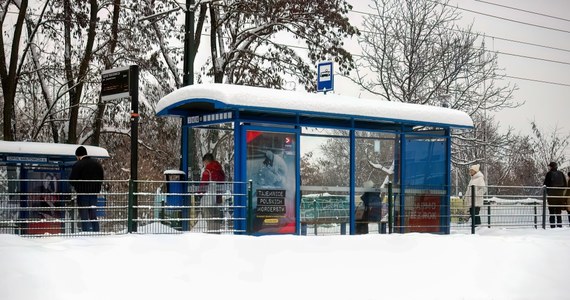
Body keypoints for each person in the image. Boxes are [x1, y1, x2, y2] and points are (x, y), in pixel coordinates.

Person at [69, 146, 104, 232]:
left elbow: (72, 180)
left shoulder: (78, 165)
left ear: (78, 156)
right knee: (93, 216)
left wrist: (77, 185)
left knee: (84, 216)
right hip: (93, 194)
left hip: (82, 193)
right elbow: (101, 178)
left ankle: (86, 235)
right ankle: (96, 233)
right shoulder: (97, 164)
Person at [199, 153, 226, 233]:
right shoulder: (220, 170)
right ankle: (217, 234)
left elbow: (204, 184)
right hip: (217, 198)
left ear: (206, 161)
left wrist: (199, 194)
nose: (204, 165)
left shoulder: (208, 170)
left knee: (209, 218)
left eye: (204, 163)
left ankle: (211, 236)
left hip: (208, 199)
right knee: (216, 217)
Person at [543, 162, 567, 228]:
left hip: (551, 196)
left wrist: (549, 192)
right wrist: (560, 192)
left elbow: (545, 185)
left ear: (551, 167)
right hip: (559, 196)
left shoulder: (549, 174)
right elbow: (565, 185)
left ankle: (552, 226)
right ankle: (559, 225)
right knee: (558, 212)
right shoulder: (561, 174)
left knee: (552, 212)